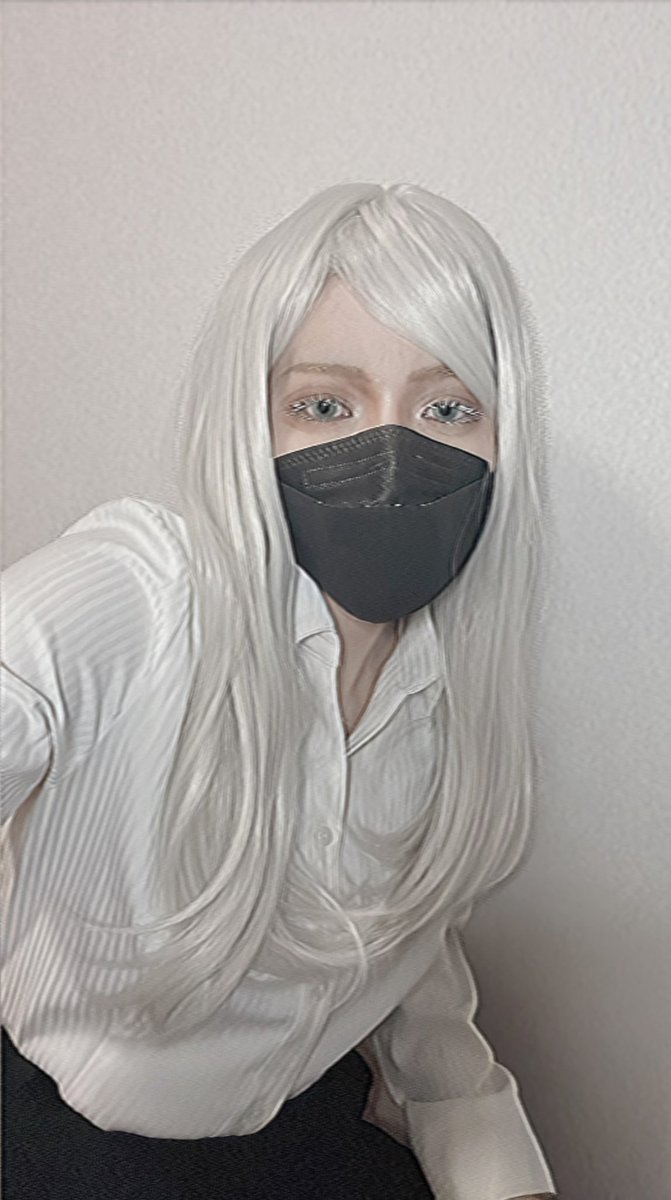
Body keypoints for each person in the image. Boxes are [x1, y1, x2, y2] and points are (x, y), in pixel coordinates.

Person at [1, 182, 558, 1200]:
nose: (389, 455)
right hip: (62, 1143)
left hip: (291, 1132)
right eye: (325, 405)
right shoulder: (142, 593)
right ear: (252, 423)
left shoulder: (445, 710)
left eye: (445, 408)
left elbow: (429, 1021)